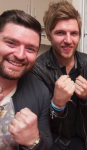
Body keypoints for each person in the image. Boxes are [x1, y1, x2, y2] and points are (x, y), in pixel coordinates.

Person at [31, 1, 87, 150]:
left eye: (74, 33)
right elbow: (38, 119)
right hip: (52, 141)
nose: (68, 40)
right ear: (48, 35)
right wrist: (57, 105)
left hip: (81, 137)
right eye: (60, 33)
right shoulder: (38, 69)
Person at [0, 10, 52, 150]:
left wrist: (34, 141)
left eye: (30, 49)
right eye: (11, 43)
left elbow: (47, 143)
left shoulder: (41, 92)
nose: (20, 55)